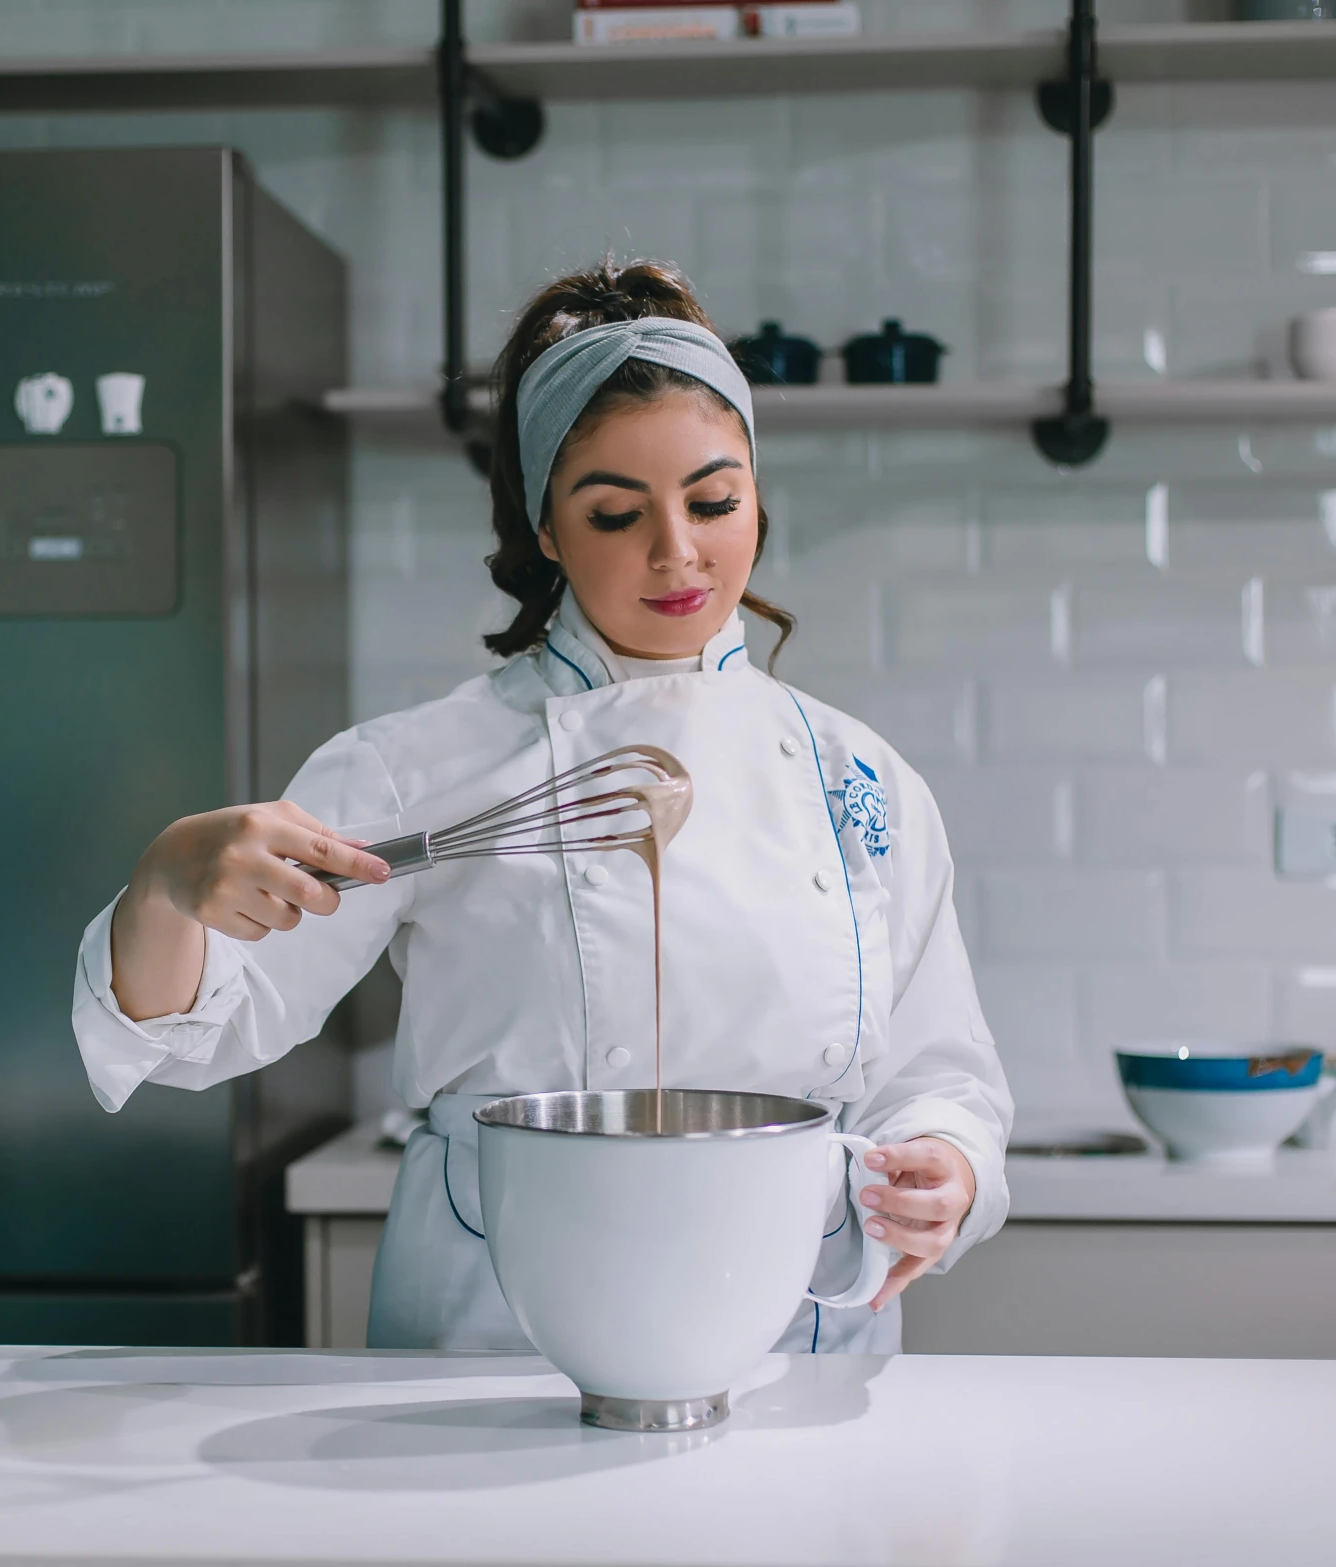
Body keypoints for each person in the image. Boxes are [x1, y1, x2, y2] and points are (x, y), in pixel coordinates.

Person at [73, 259, 1012, 1353]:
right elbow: (204, 1028)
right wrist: (166, 886)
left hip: (791, 1344)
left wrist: (942, 1165)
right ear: (547, 532)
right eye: (616, 514)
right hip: (501, 1339)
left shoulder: (860, 780)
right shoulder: (418, 769)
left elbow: (937, 1074)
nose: (678, 551)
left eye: (714, 500)